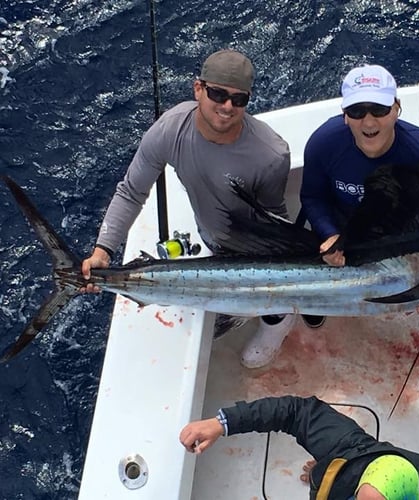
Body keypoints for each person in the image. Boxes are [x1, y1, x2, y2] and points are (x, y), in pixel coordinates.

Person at [80, 49, 315, 369]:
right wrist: (102, 252)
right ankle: (242, 309)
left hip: (255, 253)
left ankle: (277, 321)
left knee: (273, 300)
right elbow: (131, 192)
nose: (227, 106)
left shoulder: (270, 154)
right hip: (211, 242)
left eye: (239, 99)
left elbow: (275, 218)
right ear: (198, 89)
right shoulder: (169, 130)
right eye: (218, 93)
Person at [300, 64, 419, 267]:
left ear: (396, 108)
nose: (369, 123)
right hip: (341, 247)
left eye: (379, 110)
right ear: (345, 115)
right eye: (357, 111)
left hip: (402, 248)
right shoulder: (323, 144)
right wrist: (329, 234)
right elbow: (313, 197)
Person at [179, 395, 419, 499]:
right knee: (329, 473)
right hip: (345, 464)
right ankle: (327, 476)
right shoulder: (350, 449)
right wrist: (222, 423)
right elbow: (296, 413)